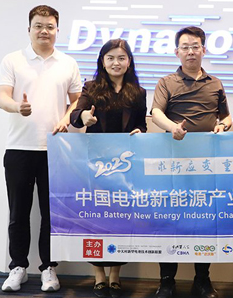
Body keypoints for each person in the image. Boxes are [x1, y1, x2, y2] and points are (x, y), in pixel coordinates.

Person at [0, 5, 82, 292]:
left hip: (55, 149)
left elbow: (77, 101)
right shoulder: (12, 60)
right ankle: (18, 267)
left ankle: (48, 268)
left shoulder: (68, 63)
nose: (44, 31)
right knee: (18, 212)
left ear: (57, 30)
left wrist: (66, 117)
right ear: (29, 29)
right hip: (19, 147)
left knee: (52, 214)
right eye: (38, 26)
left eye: (50, 26)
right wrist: (17, 107)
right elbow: (2, 97)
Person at [151, 26, 232, 298]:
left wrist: (223, 125)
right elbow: (156, 113)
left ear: (204, 50)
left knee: (205, 219)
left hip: (207, 163)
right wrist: (172, 127)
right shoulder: (166, 82)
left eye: (195, 46)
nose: (190, 52)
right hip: (173, 162)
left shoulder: (215, 83)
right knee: (170, 220)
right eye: (185, 47)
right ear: (177, 52)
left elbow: (226, 116)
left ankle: (202, 280)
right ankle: (166, 281)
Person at [70, 38, 147, 298]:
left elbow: (141, 124)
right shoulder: (91, 88)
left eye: (121, 58)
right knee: (96, 219)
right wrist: (84, 117)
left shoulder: (138, 92)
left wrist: (140, 131)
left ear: (129, 62)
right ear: (102, 61)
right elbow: (76, 114)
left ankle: (115, 274)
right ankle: (99, 275)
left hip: (124, 165)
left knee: (121, 218)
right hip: (96, 165)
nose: (116, 63)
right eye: (111, 58)